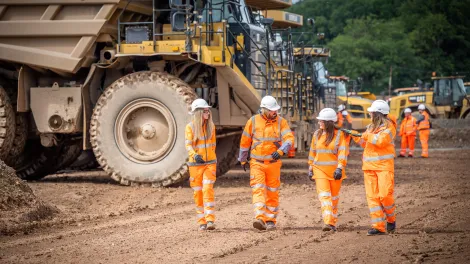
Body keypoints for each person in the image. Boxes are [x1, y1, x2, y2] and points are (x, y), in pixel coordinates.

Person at [238, 95, 294, 231]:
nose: (275, 112)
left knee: (272, 192)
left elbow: (289, 139)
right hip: (256, 163)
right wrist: (243, 159)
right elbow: (245, 142)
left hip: (274, 164)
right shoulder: (253, 121)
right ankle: (259, 218)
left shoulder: (282, 122)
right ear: (264, 110)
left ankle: (271, 221)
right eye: (272, 110)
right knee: (258, 189)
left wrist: (281, 151)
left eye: (276, 110)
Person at [352, 100, 397, 235]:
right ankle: (378, 226)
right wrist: (355, 136)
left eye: (371, 112)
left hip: (384, 167)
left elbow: (380, 142)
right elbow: (365, 143)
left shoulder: (389, 128)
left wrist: (365, 135)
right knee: (372, 198)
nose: (370, 114)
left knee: (384, 196)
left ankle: (391, 219)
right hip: (369, 167)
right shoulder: (371, 128)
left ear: (378, 114)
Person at [308, 108, 349, 232]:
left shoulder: (340, 135)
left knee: (334, 198)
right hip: (319, 170)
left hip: (335, 171)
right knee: (324, 196)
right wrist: (310, 167)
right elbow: (312, 152)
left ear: (329, 122)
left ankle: (332, 222)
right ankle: (328, 222)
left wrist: (340, 168)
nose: (319, 122)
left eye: (322, 120)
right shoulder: (317, 134)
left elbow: (342, 153)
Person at [185, 98, 217, 231]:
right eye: (205, 111)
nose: (208, 113)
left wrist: (211, 157)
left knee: (207, 188)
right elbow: (188, 145)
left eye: (208, 111)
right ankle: (202, 221)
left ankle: (210, 220)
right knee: (198, 192)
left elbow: (213, 144)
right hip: (195, 165)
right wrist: (195, 155)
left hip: (210, 163)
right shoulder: (190, 127)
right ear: (198, 113)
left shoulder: (211, 126)